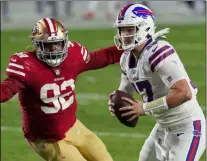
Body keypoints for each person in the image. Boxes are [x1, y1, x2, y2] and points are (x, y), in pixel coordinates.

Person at [0, 18, 123, 161]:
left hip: (73, 126)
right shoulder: (27, 66)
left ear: (64, 42)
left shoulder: (73, 55)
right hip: (48, 138)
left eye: (57, 44)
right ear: (37, 45)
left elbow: (101, 57)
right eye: (48, 45)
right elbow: (6, 90)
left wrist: (131, 49)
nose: (54, 50)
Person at [108, 4, 206, 161]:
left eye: (129, 29)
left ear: (144, 28)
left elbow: (184, 92)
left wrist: (145, 108)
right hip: (163, 126)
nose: (124, 35)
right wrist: (116, 100)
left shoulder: (158, 51)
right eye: (122, 30)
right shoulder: (126, 58)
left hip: (188, 126)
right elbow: (125, 91)